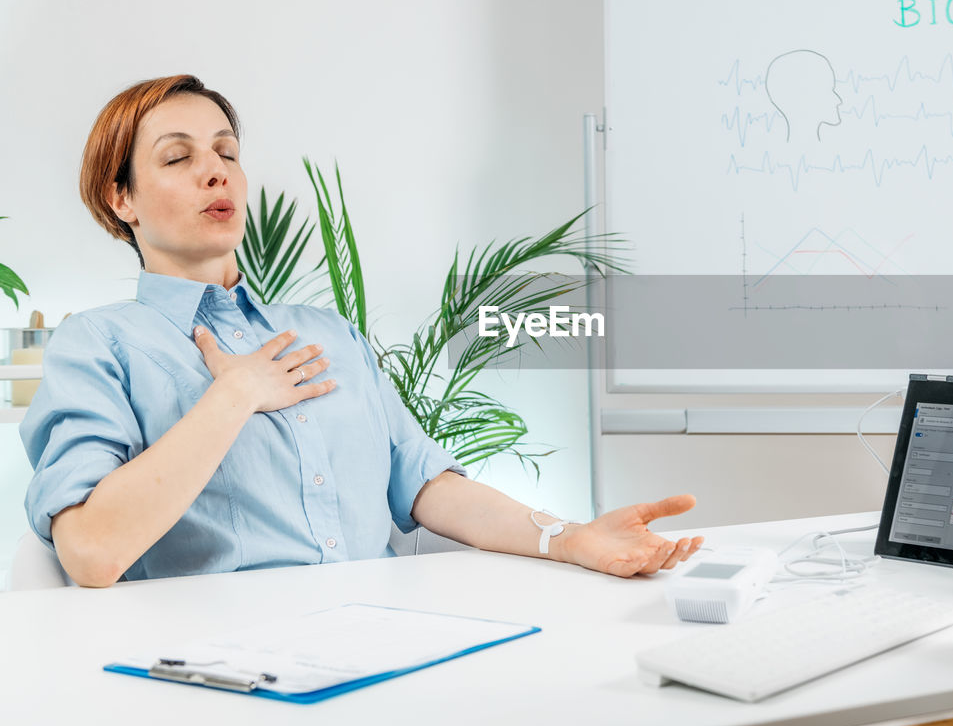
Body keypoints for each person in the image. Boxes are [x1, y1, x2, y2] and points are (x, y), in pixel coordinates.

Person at [21, 75, 704, 587]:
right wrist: (234, 397)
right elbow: (92, 552)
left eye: (227, 152)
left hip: (378, 635)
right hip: (220, 672)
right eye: (177, 158)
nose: (215, 169)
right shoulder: (98, 344)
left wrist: (570, 538)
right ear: (122, 198)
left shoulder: (328, 334)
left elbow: (428, 485)